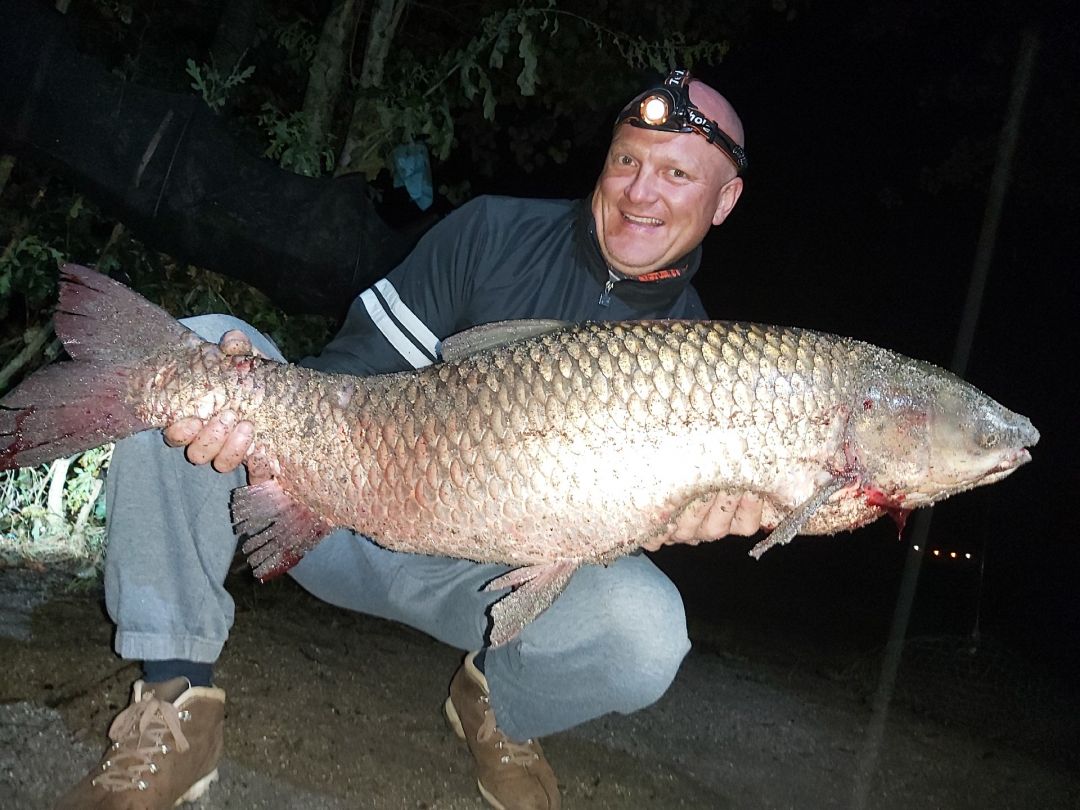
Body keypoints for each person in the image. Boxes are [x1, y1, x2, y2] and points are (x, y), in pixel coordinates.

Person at [57, 69, 763, 810]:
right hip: (343, 512)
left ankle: (495, 705)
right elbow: (356, 363)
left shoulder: (697, 360)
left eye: (677, 173)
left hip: (483, 588)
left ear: (725, 199)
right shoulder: (493, 231)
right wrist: (259, 403)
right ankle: (176, 698)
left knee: (648, 630)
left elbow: (602, 527)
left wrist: (675, 521)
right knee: (197, 354)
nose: (639, 192)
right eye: (627, 160)